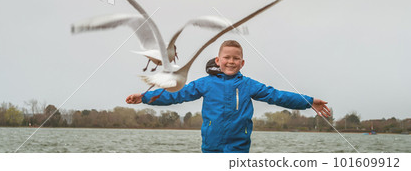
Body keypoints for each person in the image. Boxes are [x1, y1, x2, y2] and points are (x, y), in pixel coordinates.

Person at [126, 40, 331, 153]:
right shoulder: (205, 83)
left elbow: (276, 96)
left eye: (236, 59)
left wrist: (309, 102)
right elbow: (176, 94)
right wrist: (144, 97)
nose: (231, 62)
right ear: (218, 59)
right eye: (227, 57)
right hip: (211, 146)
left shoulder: (248, 85)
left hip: (238, 147)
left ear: (242, 63)